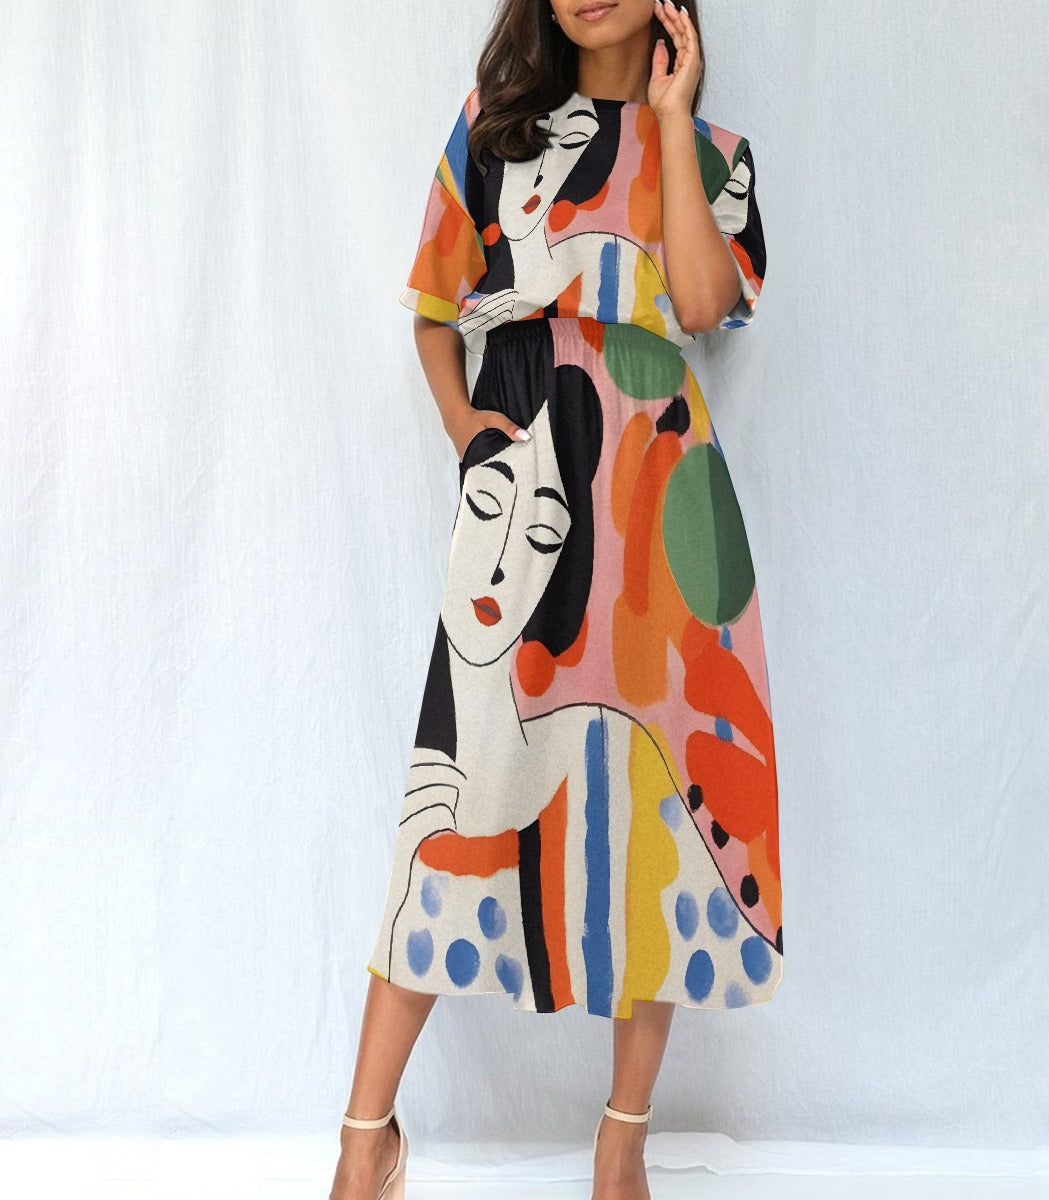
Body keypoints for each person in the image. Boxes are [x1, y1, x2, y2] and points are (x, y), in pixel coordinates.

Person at [329, 2, 781, 1198]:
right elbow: (435, 308)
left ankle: (622, 1139)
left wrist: (671, 121)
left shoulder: (717, 158)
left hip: (665, 509)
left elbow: (702, 306)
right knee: (459, 788)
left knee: (657, 815)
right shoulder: (495, 131)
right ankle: (366, 1136)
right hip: (525, 499)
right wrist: (466, 430)